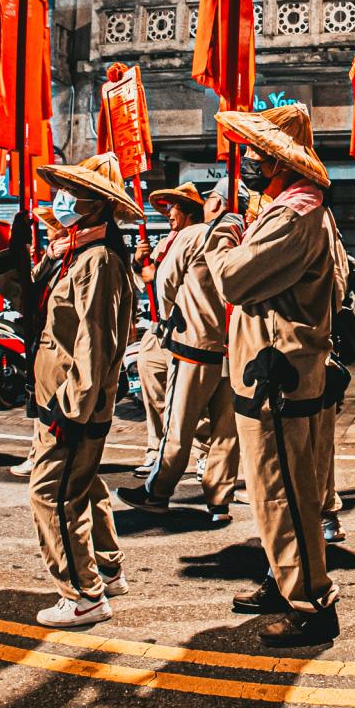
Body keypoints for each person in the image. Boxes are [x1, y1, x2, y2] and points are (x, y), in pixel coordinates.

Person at [205, 103, 341, 648]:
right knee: (272, 490)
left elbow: (234, 280)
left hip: (278, 371)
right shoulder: (288, 208)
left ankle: (310, 602)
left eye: (261, 153)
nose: (254, 161)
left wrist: (222, 234)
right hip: (268, 369)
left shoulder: (295, 214)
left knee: (284, 490)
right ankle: (281, 575)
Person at [28, 154, 138, 627]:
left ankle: (83, 594)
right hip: (60, 396)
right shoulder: (75, 253)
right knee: (85, 485)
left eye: (76, 192)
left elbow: (96, 341)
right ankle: (107, 568)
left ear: (97, 205)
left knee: (51, 493)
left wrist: (71, 408)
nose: (65, 199)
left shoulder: (99, 261)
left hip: (72, 405)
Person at [116, 181, 239, 522]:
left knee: (178, 424)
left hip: (194, 342)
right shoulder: (246, 234)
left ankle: (158, 491)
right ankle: (219, 501)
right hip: (233, 345)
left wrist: (173, 319)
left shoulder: (195, 235)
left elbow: (164, 283)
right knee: (226, 432)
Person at [128, 184, 203, 479]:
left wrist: (155, 274)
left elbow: (192, 281)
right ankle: (155, 447)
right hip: (159, 328)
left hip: (187, 328)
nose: (168, 213)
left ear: (187, 212)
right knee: (153, 385)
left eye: (173, 208)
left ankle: (202, 453)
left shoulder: (199, 238)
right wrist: (138, 262)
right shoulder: (164, 243)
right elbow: (144, 283)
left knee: (189, 395)